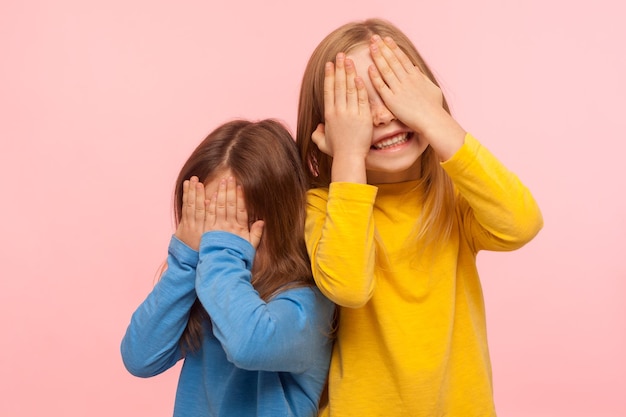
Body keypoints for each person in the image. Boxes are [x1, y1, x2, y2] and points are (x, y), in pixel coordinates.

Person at [295, 18, 543, 416]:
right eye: (357, 104)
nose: (381, 116)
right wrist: (348, 156)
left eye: (395, 93)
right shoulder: (323, 207)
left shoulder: (456, 197)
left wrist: (433, 118)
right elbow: (349, 287)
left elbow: (522, 223)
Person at [121, 119, 335, 417]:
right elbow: (139, 357)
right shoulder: (207, 292)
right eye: (210, 219)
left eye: (237, 221)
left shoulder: (307, 303)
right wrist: (184, 262)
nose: (223, 238)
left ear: (282, 217)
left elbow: (249, 344)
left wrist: (223, 255)